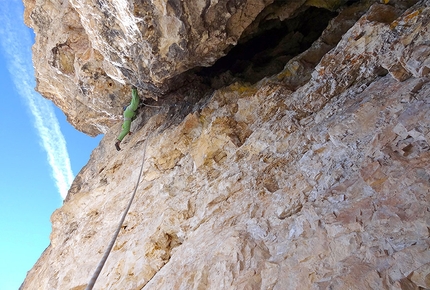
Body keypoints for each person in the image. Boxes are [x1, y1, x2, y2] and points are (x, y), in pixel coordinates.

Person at [115, 86, 140, 151]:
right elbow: (135, 101)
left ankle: (118, 142)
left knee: (126, 129)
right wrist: (134, 90)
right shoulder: (130, 107)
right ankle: (133, 89)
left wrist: (128, 131)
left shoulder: (127, 116)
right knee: (136, 102)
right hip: (129, 111)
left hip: (128, 113)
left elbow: (125, 125)